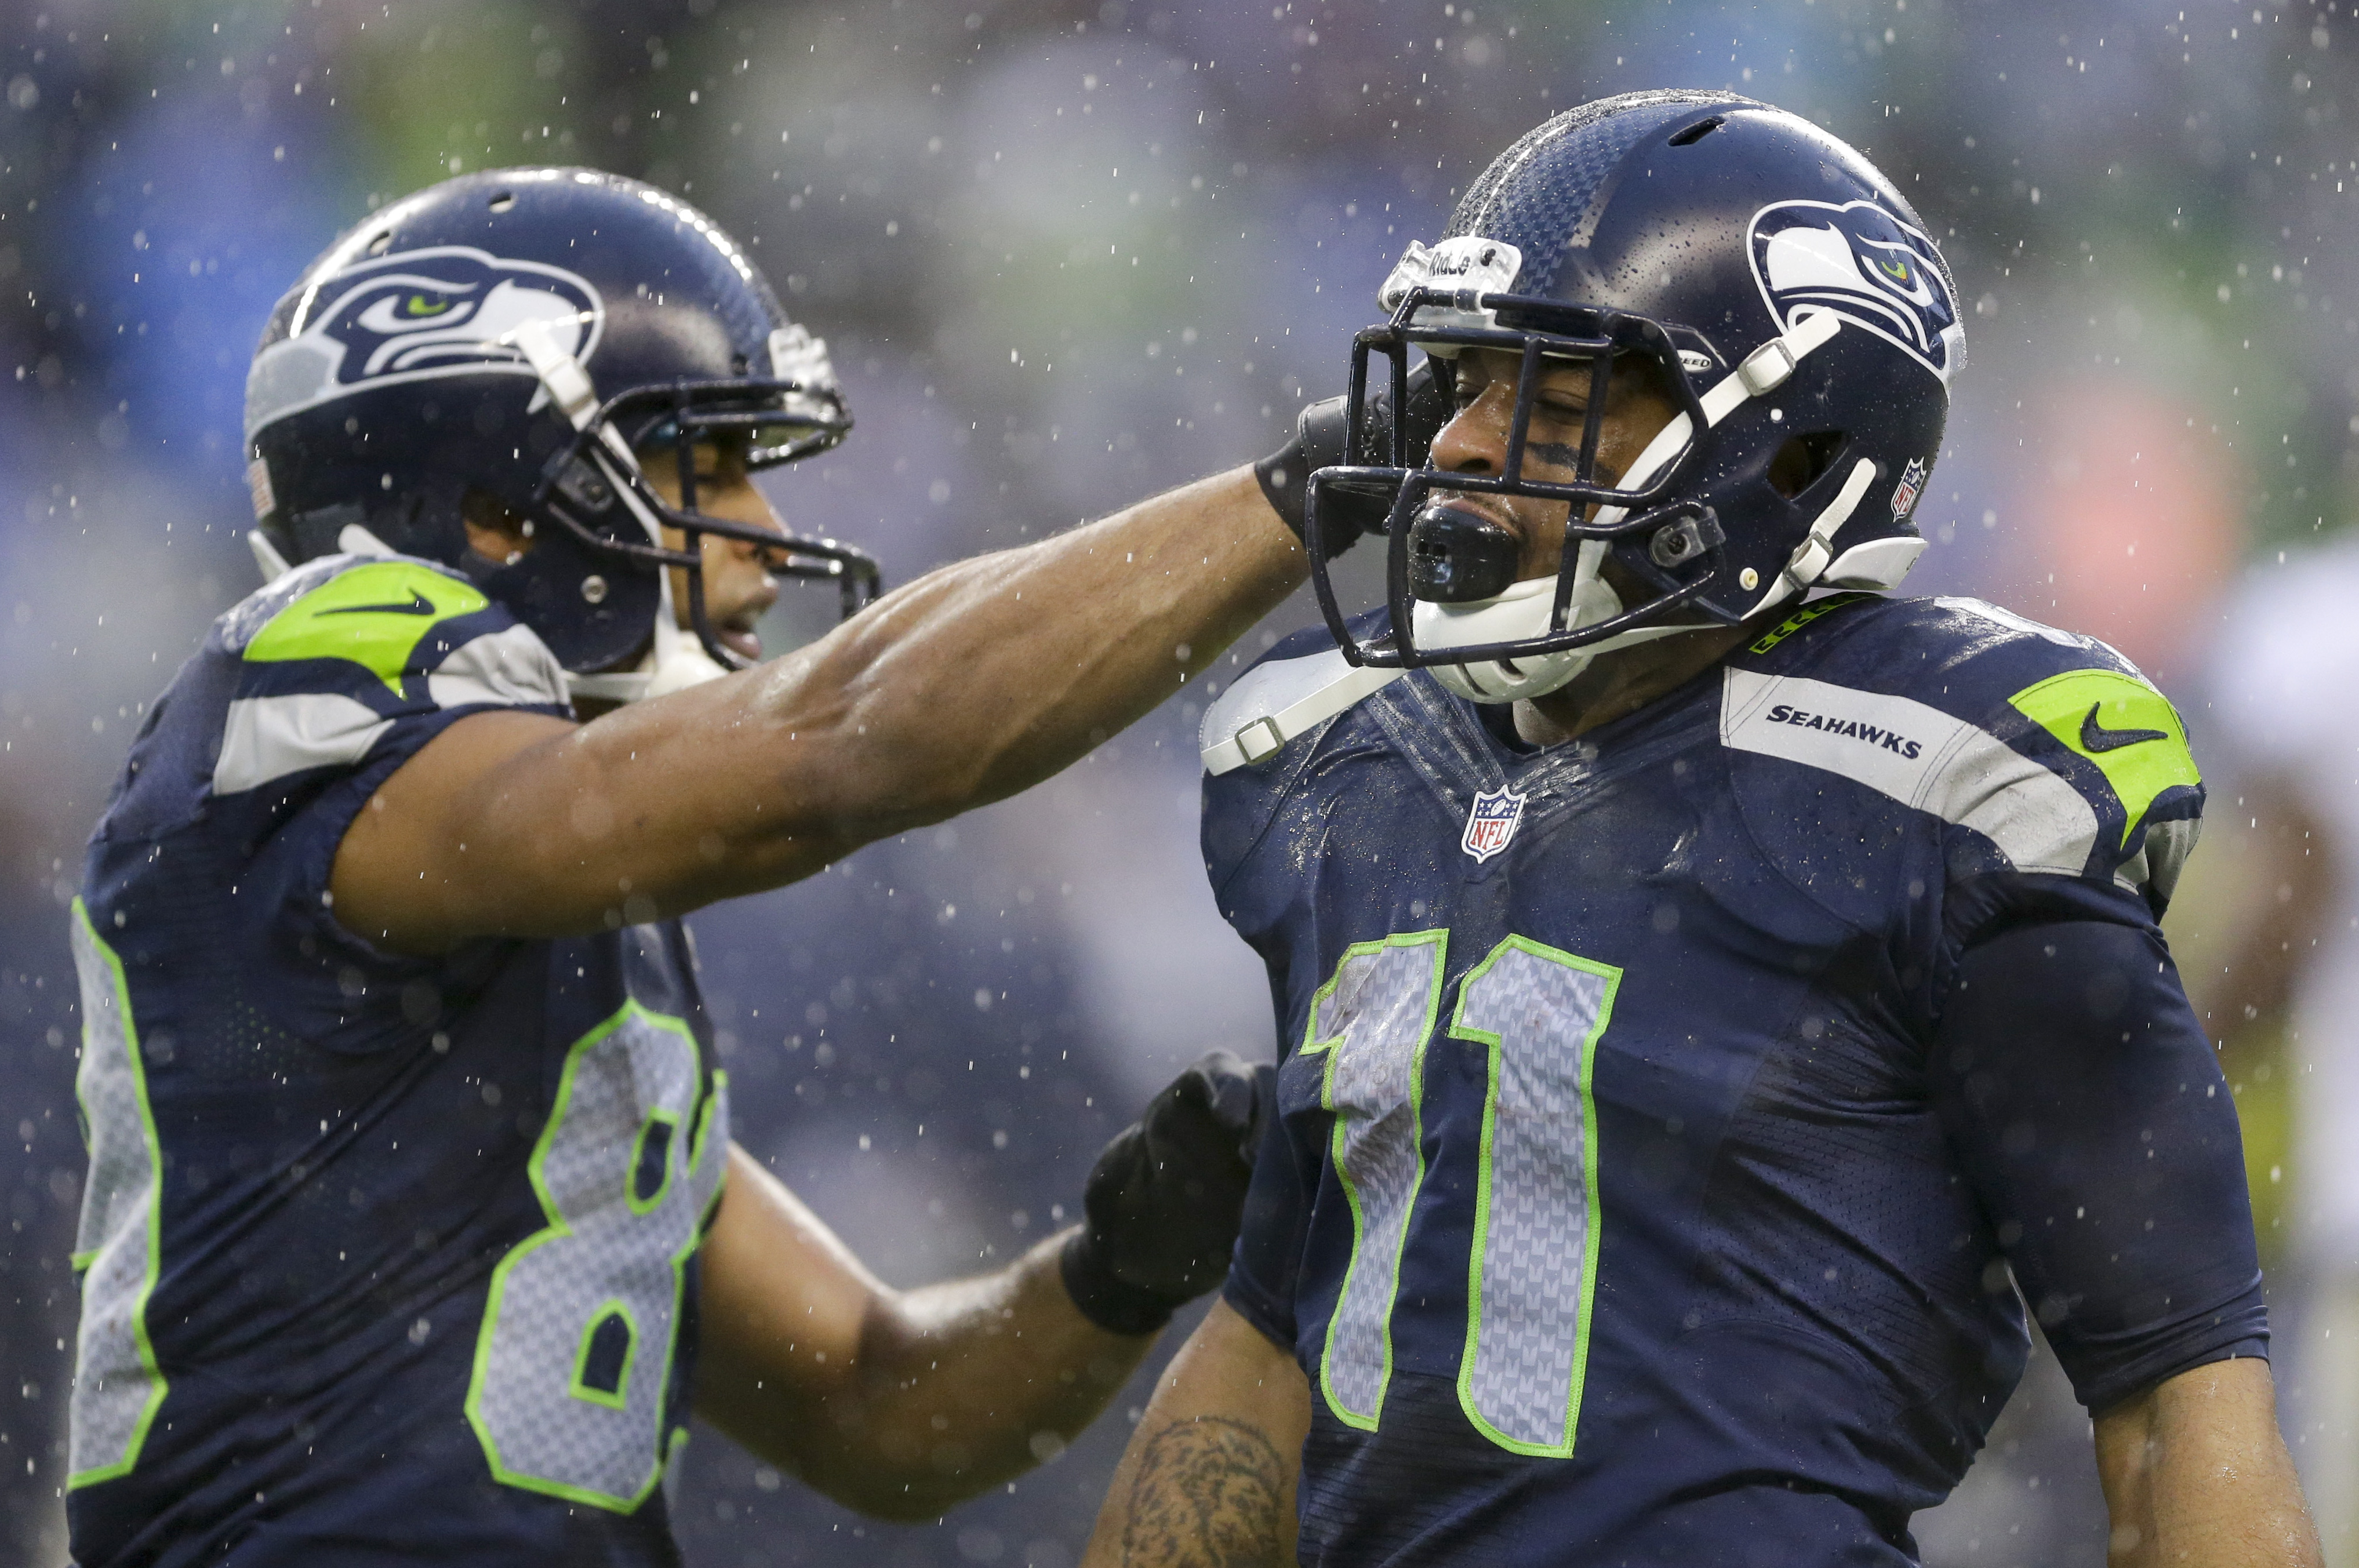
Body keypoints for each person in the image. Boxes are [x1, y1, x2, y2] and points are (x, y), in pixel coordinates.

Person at [61, 166, 1386, 1565]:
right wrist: (1306, 492)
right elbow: (840, 750)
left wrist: (1115, 1271)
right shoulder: (322, 663)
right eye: (706, 469)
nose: (758, 543)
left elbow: (882, 1411)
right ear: (496, 510)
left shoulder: (551, 925)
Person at [1084, 92, 2320, 1567]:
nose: (1467, 450)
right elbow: (1271, 1341)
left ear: (1793, 454)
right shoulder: (1357, 763)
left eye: (1548, 402)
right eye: (1462, 388)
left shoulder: (1943, 786)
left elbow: (2180, 1415)